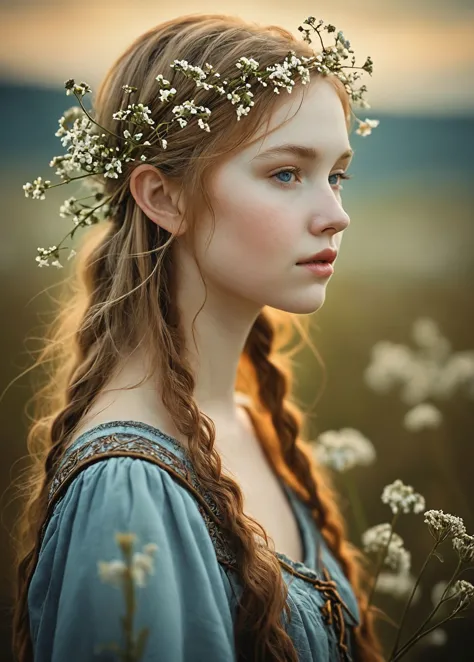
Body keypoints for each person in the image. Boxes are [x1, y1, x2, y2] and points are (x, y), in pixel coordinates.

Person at [12, 13, 383, 662]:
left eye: (337, 175)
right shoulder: (127, 491)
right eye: (287, 174)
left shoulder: (246, 423)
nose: (336, 214)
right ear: (164, 197)